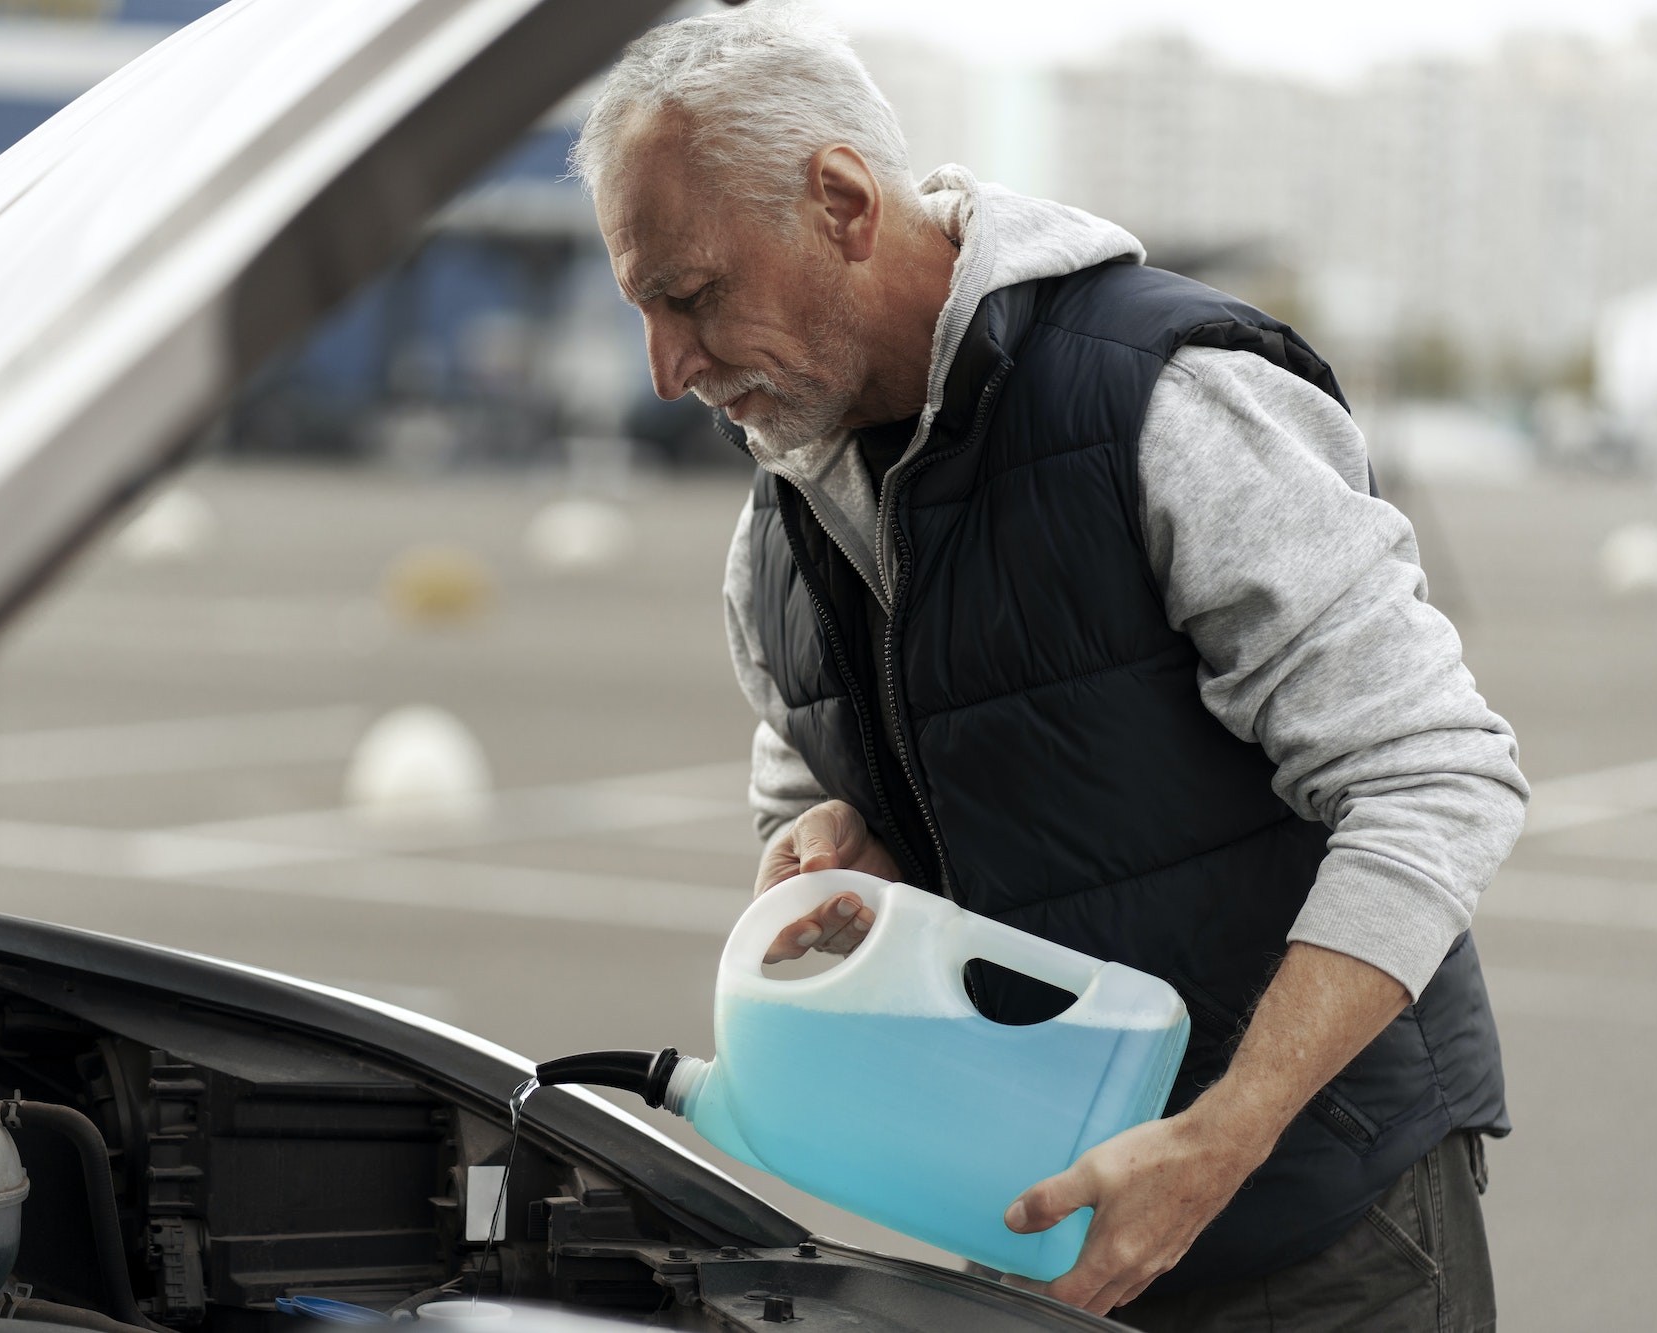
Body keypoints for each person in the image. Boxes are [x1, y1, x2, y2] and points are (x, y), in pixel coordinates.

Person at [572, 9, 1525, 1330]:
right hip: (1035, 1238)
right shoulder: (778, 515)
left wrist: (1220, 1138)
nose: (666, 368)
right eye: (642, 309)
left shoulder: (1164, 401)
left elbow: (1439, 777)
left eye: (691, 294)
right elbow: (801, 763)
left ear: (844, 205)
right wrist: (833, 833)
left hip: (1318, 1236)